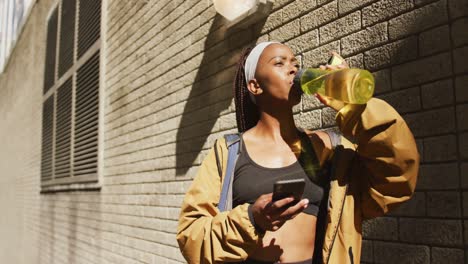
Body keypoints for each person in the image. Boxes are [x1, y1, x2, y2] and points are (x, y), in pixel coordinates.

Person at [176, 41, 419, 264]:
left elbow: (396, 178)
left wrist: (355, 109)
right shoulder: (229, 152)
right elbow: (191, 236)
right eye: (279, 63)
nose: (293, 70)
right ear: (255, 85)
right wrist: (252, 218)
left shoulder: (327, 148)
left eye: (296, 64)